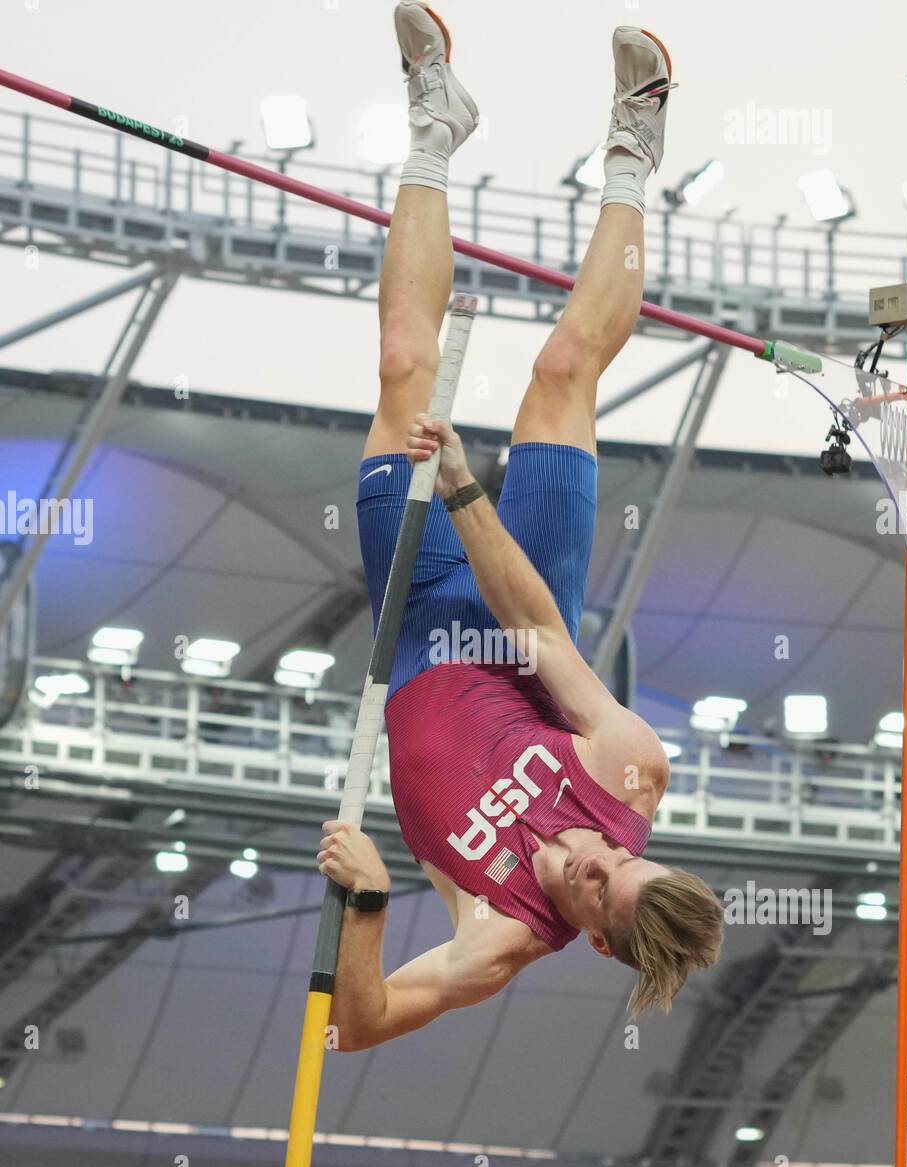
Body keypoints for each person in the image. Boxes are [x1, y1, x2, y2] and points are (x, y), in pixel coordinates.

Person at [317, 2, 723, 1051]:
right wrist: (460, 487)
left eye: (599, 886)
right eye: (624, 860)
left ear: (593, 937)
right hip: (517, 607)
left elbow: (355, 1027)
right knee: (559, 371)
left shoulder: (497, 937)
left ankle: (434, 127)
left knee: (406, 360)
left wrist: (367, 907)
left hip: (416, 639)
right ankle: (634, 147)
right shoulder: (631, 773)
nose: (597, 856)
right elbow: (539, 634)